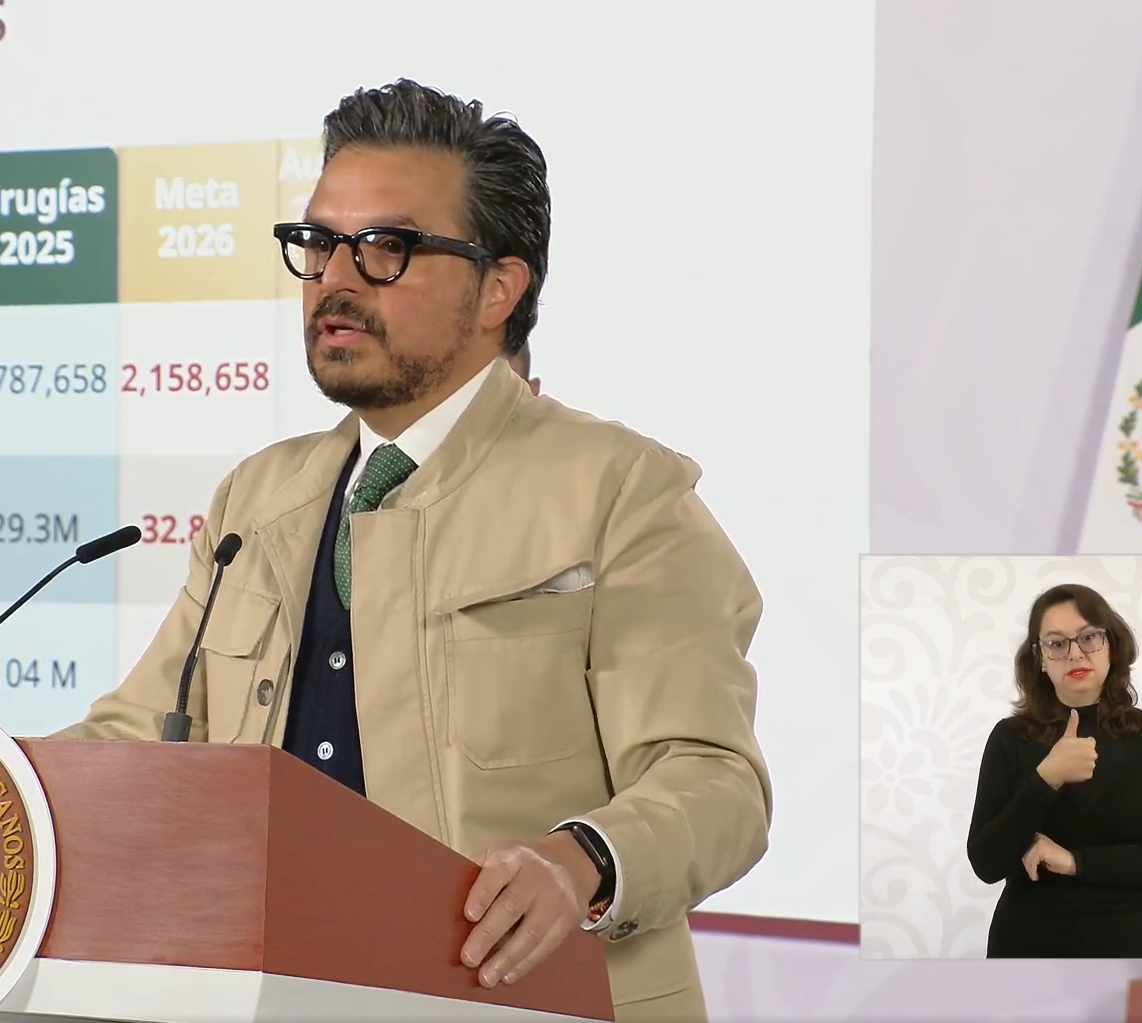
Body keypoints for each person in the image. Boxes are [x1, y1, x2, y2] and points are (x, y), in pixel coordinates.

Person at [56, 79, 771, 1019]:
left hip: (535, 1000)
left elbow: (715, 778)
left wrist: (583, 858)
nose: (336, 280)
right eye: (318, 244)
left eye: (386, 247)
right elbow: (140, 740)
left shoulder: (620, 490)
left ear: (498, 288)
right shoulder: (256, 498)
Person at [965, 583, 1142, 958]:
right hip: (1028, 943)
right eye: (1057, 643)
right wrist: (1047, 778)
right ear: (1040, 657)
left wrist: (1075, 862)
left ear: (1112, 645)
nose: (1075, 653)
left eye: (1089, 637)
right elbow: (986, 862)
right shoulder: (1010, 738)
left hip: (1135, 942)